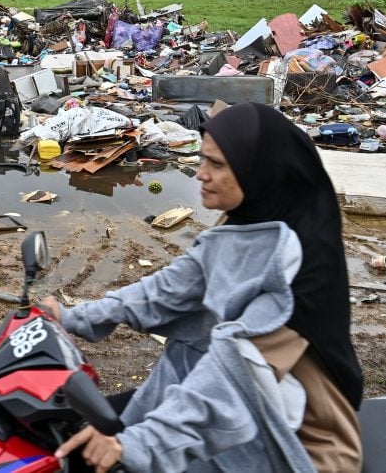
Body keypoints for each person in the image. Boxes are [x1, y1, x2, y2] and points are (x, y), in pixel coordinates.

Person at [42, 102, 363, 473]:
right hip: (230, 403)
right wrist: (73, 316)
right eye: (203, 159)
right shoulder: (246, 222)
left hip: (292, 441)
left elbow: (235, 369)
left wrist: (139, 442)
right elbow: (169, 288)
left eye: (217, 165)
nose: (199, 174)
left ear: (258, 172)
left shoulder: (300, 270)